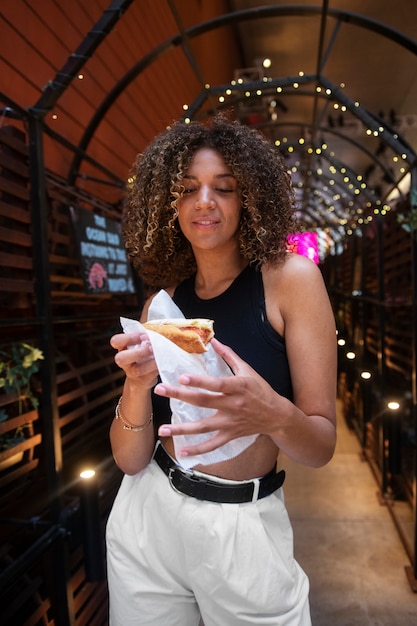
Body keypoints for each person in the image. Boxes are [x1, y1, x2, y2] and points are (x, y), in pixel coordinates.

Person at [106, 115, 337, 626]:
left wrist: (272, 414)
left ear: (249, 200)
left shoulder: (289, 280)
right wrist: (137, 384)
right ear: (169, 204)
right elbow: (128, 459)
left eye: (224, 188)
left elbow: (321, 446)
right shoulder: (162, 307)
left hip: (241, 527)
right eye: (187, 189)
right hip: (148, 516)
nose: (204, 202)